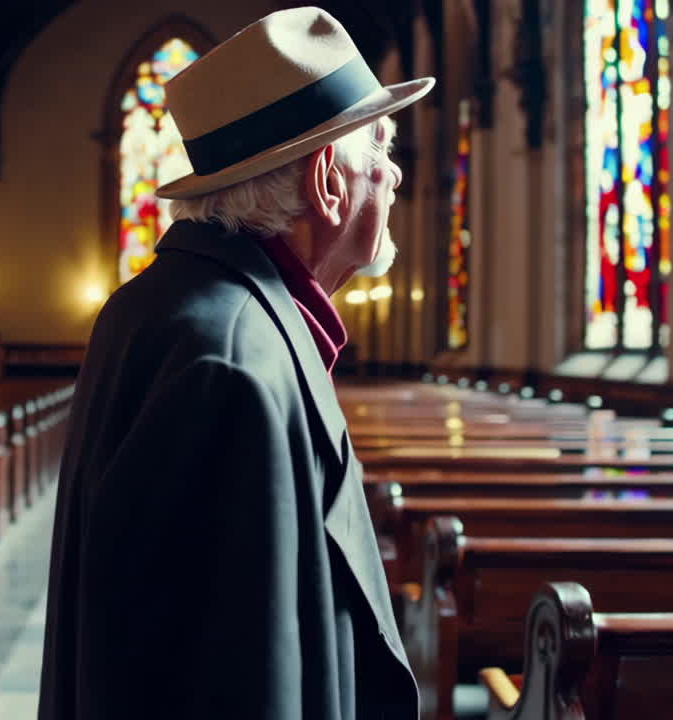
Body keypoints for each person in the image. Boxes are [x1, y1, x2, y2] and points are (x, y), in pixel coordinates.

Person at [37, 7, 434, 719]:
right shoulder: (231, 364)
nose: (395, 174)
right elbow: (240, 675)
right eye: (380, 145)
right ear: (328, 181)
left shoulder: (168, 305)